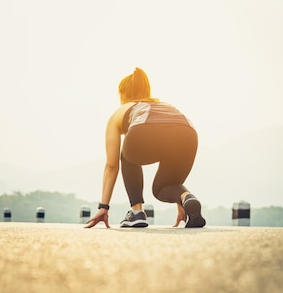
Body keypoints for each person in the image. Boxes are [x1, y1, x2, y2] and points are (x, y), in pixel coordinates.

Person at [85, 67, 206, 229]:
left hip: (145, 131)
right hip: (187, 133)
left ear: (123, 93)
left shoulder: (121, 111)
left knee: (127, 152)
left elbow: (111, 165)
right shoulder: (162, 104)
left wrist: (103, 207)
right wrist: (181, 203)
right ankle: (187, 198)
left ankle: (136, 212)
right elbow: (175, 174)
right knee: (163, 188)